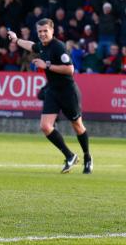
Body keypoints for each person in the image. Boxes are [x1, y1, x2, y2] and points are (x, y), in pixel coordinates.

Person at [7, 19, 93, 174]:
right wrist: (16, 39)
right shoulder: (42, 46)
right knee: (45, 126)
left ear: (52, 31)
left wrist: (46, 65)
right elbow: (31, 45)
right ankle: (70, 155)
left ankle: (87, 157)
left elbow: (70, 69)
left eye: (45, 31)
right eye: (40, 31)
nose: (42, 34)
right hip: (53, 91)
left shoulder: (59, 47)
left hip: (68, 92)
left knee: (77, 126)